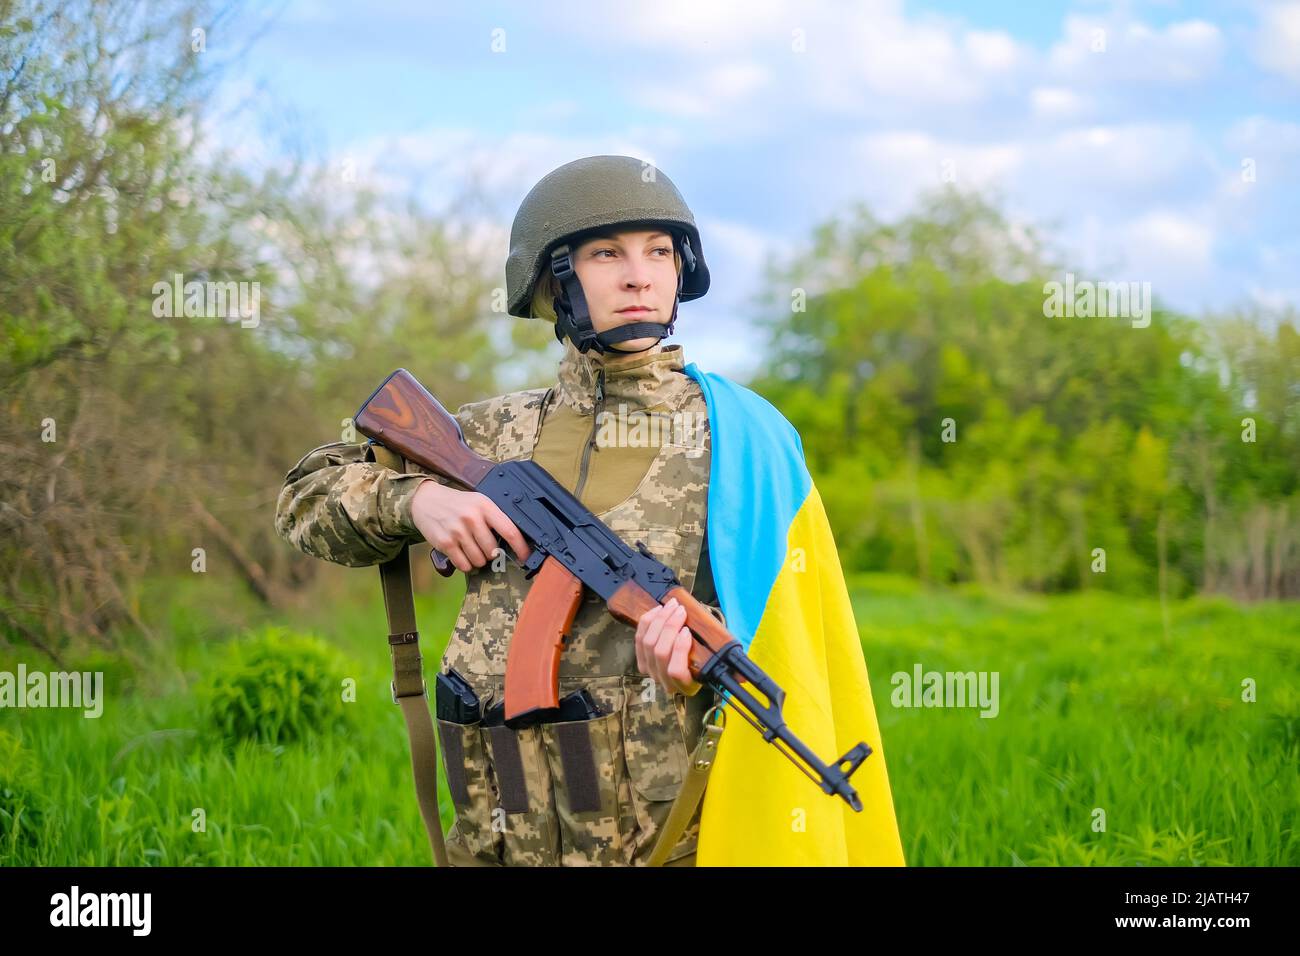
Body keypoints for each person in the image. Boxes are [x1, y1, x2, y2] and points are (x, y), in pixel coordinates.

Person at [275, 154, 725, 866]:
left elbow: (793, 626)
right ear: (554, 280)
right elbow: (303, 500)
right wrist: (416, 500)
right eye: (607, 253)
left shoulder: (733, 438)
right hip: (497, 837)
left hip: (660, 841)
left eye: (660, 252)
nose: (640, 276)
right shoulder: (492, 432)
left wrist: (694, 655)